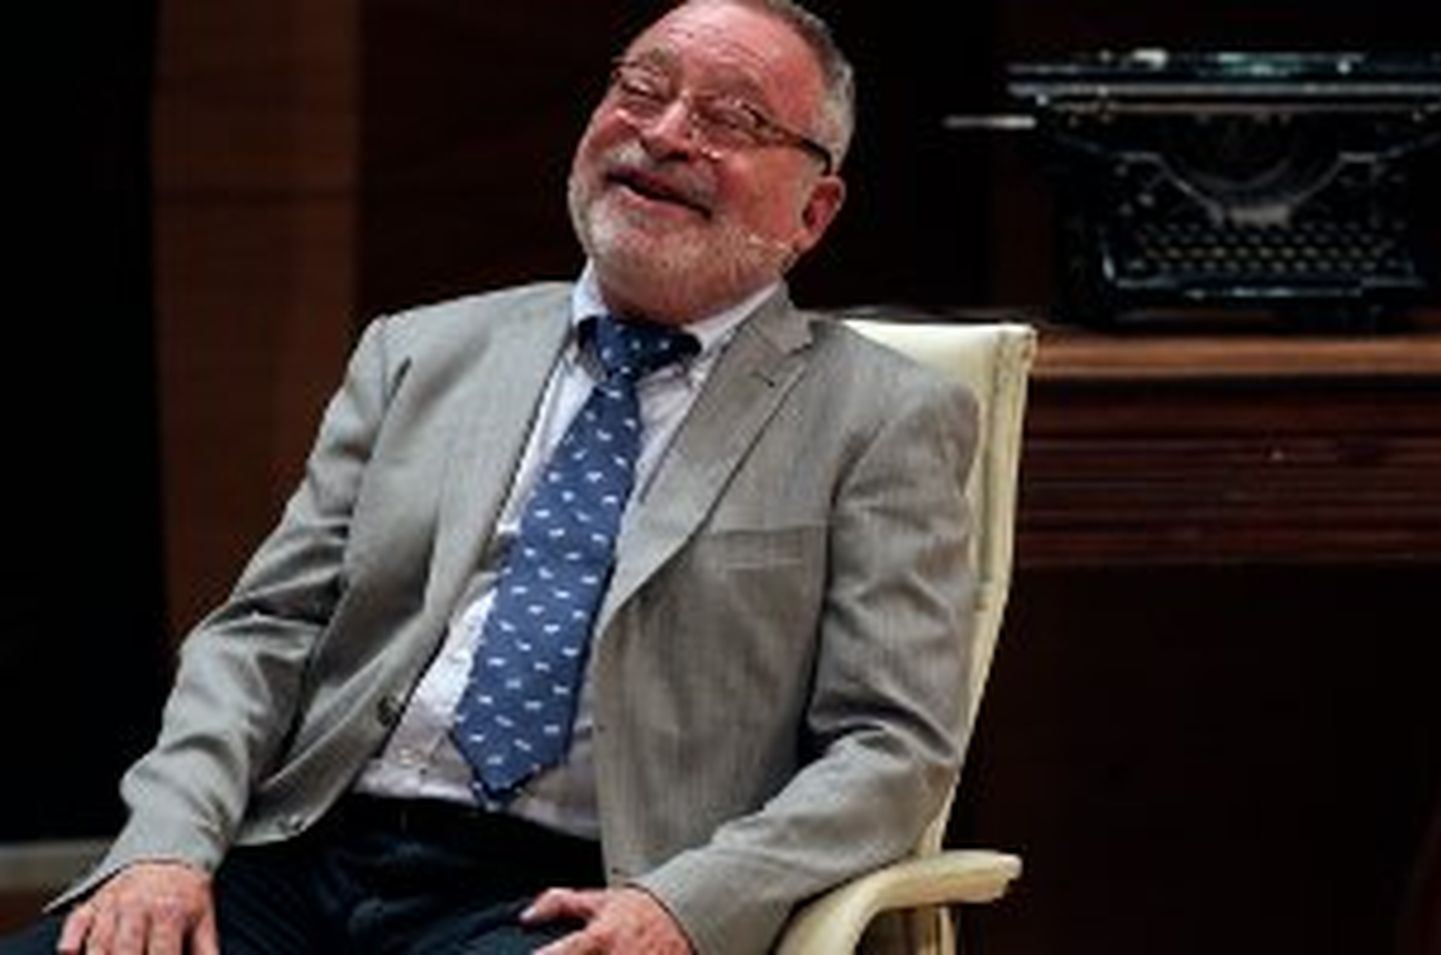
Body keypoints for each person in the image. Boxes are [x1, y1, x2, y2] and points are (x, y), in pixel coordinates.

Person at [2, 1, 977, 952]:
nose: (665, 133)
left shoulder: (879, 415)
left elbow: (889, 747)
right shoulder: (420, 351)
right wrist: (165, 844)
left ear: (813, 211)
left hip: (580, 893)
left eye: (731, 118)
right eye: (642, 90)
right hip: (304, 850)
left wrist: (686, 905)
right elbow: (266, 630)